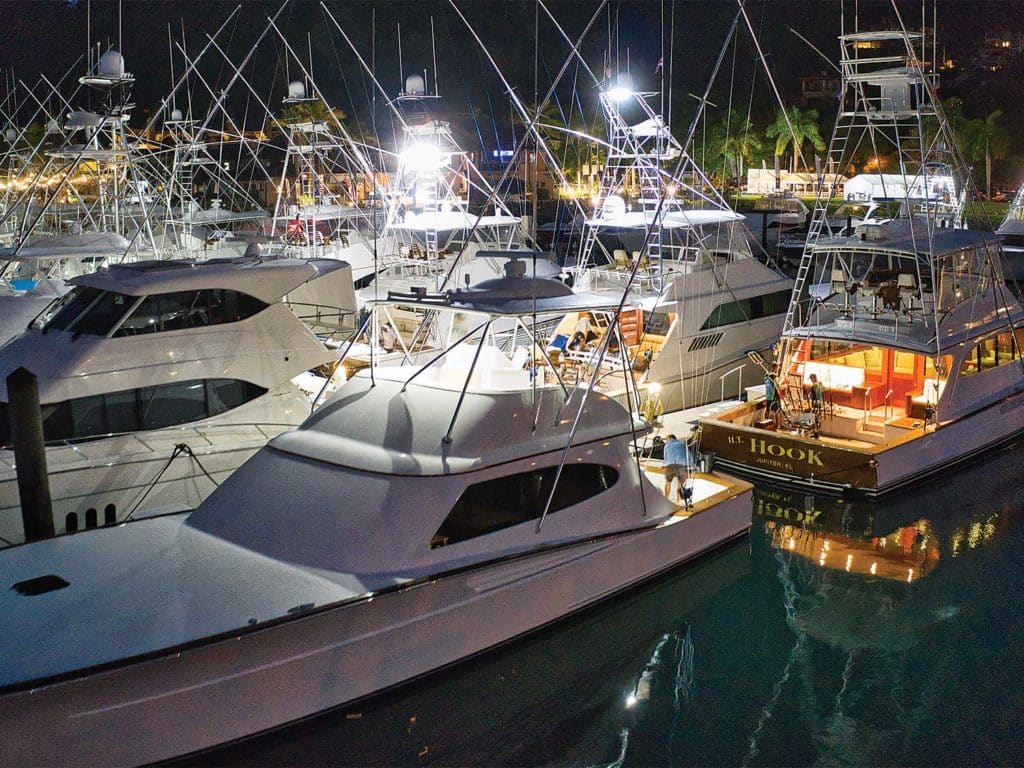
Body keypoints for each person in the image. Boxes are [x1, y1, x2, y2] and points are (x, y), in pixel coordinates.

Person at [662, 434, 692, 503]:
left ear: (670, 439)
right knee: (680, 484)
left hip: (671, 466)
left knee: (668, 481)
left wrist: (664, 465)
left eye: (667, 440)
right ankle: (678, 502)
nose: (666, 441)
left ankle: (666, 499)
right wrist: (692, 464)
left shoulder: (666, 446)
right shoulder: (682, 444)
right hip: (682, 465)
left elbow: (665, 458)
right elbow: (689, 455)